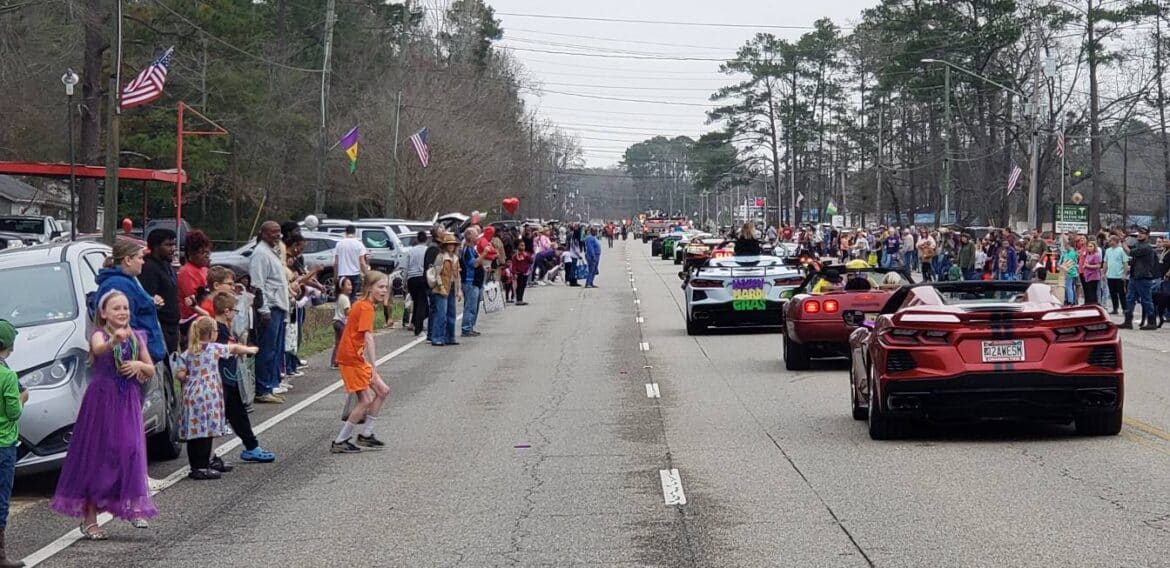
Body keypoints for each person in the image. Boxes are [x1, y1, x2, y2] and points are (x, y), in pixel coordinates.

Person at [51, 291, 157, 539]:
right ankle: (90, 520)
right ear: (104, 313)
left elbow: (150, 368)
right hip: (102, 401)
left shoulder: (137, 337)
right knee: (99, 455)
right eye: (116, 308)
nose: (122, 312)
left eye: (125, 308)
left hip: (127, 400)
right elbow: (99, 349)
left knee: (131, 449)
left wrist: (139, 366)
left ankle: (133, 506)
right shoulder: (99, 334)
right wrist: (114, 342)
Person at [177, 316, 258, 480]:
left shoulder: (189, 352)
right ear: (211, 334)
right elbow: (234, 348)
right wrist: (250, 350)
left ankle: (199, 464)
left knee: (195, 431)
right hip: (209, 395)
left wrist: (187, 377)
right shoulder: (213, 349)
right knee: (206, 431)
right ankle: (202, 466)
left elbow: (180, 373)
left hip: (192, 394)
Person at [211, 292, 275, 464]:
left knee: (238, 414)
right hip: (221, 379)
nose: (235, 314)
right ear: (226, 311)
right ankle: (209, 456)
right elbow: (225, 348)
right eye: (234, 311)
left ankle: (251, 446)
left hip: (229, 380)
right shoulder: (217, 330)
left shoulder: (224, 327)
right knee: (218, 418)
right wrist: (247, 350)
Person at [332, 271, 392, 453]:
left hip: (355, 357)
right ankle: (341, 440)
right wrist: (373, 366)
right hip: (351, 359)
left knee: (382, 391)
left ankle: (366, 434)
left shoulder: (363, 305)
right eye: (380, 287)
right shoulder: (365, 307)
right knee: (365, 400)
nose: (384, 291)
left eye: (386, 287)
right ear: (369, 288)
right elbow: (368, 337)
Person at [93, 239, 168, 364]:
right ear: (128, 260)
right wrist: (140, 360)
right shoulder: (119, 285)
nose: (143, 262)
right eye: (140, 258)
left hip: (145, 354)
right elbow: (125, 324)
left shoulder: (128, 281)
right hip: (136, 359)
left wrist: (151, 303)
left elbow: (137, 308)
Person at [249, 221, 290, 404]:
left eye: (279, 232)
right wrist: (263, 309)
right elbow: (258, 284)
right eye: (273, 232)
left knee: (274, 350)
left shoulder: (272, 251)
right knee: (266, 350)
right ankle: (262, 388)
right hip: (269, 309)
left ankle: (270, 385)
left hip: (279, 307)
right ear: (263, 233)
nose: (277, 235)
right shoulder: (260, 254)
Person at [0, 320, 26, 568]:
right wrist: (20, 400)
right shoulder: (7, 376)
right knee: (1, 498)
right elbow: (14, 412)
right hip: (4, 444)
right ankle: (0, 555)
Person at [138, 229, 180, 353]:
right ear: (156, 246)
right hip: (159, 328)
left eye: (173, 244)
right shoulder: (148, 268)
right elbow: (148, 299)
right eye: (168, 245)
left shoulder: (167, 265)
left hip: (173, 327)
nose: (173, 249)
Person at [1123, 227, 1158, 330]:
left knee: (1146, 300)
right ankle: (1127, 321)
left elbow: (1131, 252)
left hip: (1144, 277)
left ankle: (1152, 322)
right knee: (1130, 298)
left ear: (1147, 235)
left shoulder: (1147, 247)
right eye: (1139, 233)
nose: (1139, 234)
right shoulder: (1138, 245)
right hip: (1134, 276)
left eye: (1142, 233)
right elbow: (1132, 252)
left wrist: (1122, 242)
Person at [430, 233, 462, 347]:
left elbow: (457, 276)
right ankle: (437, 337)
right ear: (445, 246)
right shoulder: (441, 257)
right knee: (441, 314)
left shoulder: (455, 258)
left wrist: (459, 290)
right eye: (449, 244)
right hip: (441, 288)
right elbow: (437, 273)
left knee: (451, 314)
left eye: (453, 244)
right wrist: (441, 287)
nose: (451, 246)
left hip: (452, 287)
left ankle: (450, 337)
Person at [404, 231, 431, 336]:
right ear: (426, 239)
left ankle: (413, 322)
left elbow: (406, 267)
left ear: (417, 239)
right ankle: (418, 327)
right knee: (422, 303)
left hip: (412, 278)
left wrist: (404, 281)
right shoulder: (427, 250)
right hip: (423, 277)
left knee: (416, 301)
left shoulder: (411, 251)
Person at [332, 225, 369, 300]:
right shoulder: (359, 244)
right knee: (353, 295)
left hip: (342, 274)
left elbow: (336, 262)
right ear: (355, 232)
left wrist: (335, 275)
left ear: (345, 232)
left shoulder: (339, 244)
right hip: (355, 274)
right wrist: (367, 275)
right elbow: (362, 262)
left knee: (343, 296)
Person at [460, 228, 484, 337]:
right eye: (475, 235)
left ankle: (470, 326)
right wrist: (484, 254)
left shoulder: (473, 250)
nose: (477, 238)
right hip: (470, 281)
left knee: (474, 306)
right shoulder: (468, 250)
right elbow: (474, 264)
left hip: (476, 282)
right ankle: (466, 328)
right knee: (470, 306)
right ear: (469, 237)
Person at [1104, 235, 1129, 315]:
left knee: (1121, 293)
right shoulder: (1107, 250)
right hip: (1110, 275)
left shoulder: (1121, 250)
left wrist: (1124, 274)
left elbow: (1125, 263)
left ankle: (1125, 308)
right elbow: (1105, 262)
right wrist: (1104, 273)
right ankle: (1115, 308)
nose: (1109, 242)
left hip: (1119, 275)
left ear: (1115, 241)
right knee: (1112, 293)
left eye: (1111, 240)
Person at [331, 277, 352, 368]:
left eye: (351, 285)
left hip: (336, 321)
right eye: (348, 285)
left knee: (338, 343)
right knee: (345, 342)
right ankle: (344, 360)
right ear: (342, 287)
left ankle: (335, 361)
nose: (351, 287)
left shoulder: (340, 297)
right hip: (341, 323)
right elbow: (347, 312)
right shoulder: (345, 298)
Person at [511, 241, 532, 306]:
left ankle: (521, 299)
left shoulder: (526, 254)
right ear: (518, 246)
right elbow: (514, 265)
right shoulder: (515, 256)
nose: (523, 247)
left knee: (523, 286)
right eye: (521, 245)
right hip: (519, 273)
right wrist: (514, 273)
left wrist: (526, 256)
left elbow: (531, 261)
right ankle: (518, 300)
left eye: (524, 245)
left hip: (525, 272)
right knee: (519, 286)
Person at [1081, 241, 1103, 306]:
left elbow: (1098, 265)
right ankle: (1088, 304)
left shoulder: (1096, 255)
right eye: (1088, 246)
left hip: (1093, 276)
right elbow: (1085, 263)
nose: (1089, 248)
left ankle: (1093, 305)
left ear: (1094, 247)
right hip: (1087, 275)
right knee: (1088, 291)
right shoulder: (1088, 255)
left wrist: (1088, 266)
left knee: (1092, 292)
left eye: (1091, 246)